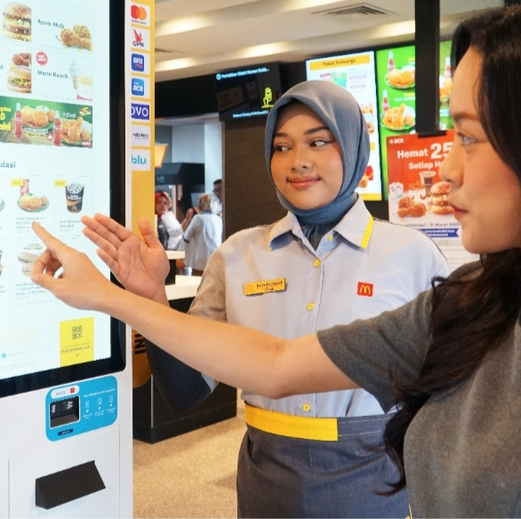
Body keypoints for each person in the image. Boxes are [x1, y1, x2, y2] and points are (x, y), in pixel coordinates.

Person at [31, 0, 521, 517]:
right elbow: (274, 365)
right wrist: (116, 296)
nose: (444, 167)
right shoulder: (474, 307)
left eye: (468, 136)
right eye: (282, 145)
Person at [50, 81, 447, 517]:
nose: (298, 161)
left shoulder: (411, 255)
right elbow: (185, 391)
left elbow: (450, 396)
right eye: (282, 146)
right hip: (265, 482)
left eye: (318, 142)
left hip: (374, 481)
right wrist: (151, 297)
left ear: (353, 147)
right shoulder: (238, 256)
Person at [180, 193, 222, 275]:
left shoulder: (198, 218)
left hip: (199, 260)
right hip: (215, 259)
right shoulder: (218, 219)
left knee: (198, 280)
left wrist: (181, 254)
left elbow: (186, 237)